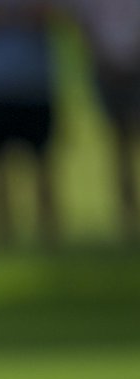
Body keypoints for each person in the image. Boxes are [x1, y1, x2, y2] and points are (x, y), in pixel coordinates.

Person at [0, 0, 62, 247]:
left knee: (43, 163)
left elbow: (55, 15)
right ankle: (2, 236)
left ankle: (49, 234)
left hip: (36, 81)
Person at [58, 0, 140, 242]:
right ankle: (127, 215)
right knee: (120, 143)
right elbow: (80, 20)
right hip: (105, 67)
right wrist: (99, 55)